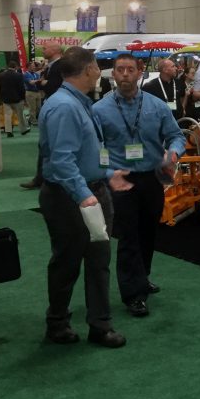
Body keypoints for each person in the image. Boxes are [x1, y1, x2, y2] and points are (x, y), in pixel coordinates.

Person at [38, 47, 133, 349]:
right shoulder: (65, 107)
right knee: (67, 262)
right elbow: (61, 160)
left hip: (90, 190)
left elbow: (87, 152)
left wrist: (107, 174)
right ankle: (58, 323)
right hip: (70, 197)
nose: (99, 71)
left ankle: (100, 325)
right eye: (96, 66)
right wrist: (83, 195)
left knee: (98, 261)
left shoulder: (79, 103)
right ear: (88, 69)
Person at [93, 54, 185, 318]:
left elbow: (176, 136)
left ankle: (142, 276)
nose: (125, 74)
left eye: (130, 69)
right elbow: (97, 147)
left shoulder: (156, 106)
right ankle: (133, 294)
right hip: (120, 180)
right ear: (113, 75)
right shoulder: (100, 110)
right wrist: (108, 172)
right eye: (120, 69)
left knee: (148, 232)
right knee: (129, 237)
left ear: (139, 73)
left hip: (152, 178)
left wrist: (173, 154)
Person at [21, 43, 66, 189]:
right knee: (45, 144)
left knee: (54, 144)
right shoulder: (49, 67)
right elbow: (44, 84)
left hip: (59, 107)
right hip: (50, 105)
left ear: (55, 50)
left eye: (46, 48)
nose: (43, 50)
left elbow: (54, 85)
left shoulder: (61, 65)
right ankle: (41, 178)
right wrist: (43, 83)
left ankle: (48, 179)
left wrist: (43, 83)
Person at [0, 60, 30, 137]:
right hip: (17, 99)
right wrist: (23, 98)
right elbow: (21, 88)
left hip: (6, 99)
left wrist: (0, 98)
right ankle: (23, 130)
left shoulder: (1, 75)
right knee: (20, 115)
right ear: (15, 67)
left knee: (7, 115)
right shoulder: (19, 75)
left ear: (8, 66)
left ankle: (9, 131)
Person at [24, 60, 43, 125]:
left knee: (39, 108)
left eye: (34, 66)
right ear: (28, 67)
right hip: (30, 92)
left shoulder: (36, 74)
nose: (34, 67)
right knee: (32, 108)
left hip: (37, 92)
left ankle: (31, 119)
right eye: (33, 66)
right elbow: (31, 82)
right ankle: (33, 121)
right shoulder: (26, 74)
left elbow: (39, 82)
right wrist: (38, 80)